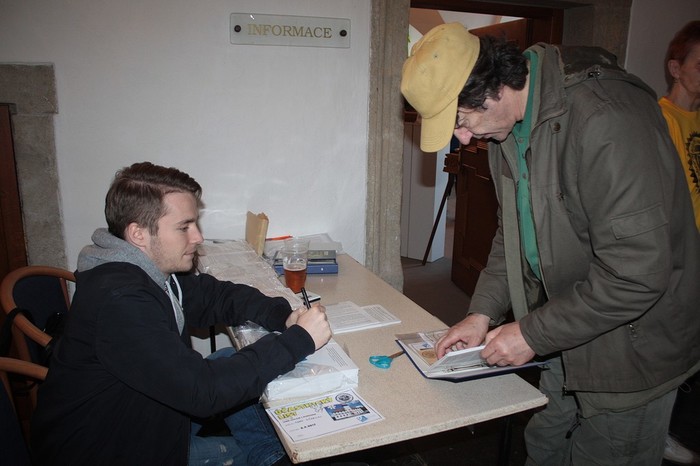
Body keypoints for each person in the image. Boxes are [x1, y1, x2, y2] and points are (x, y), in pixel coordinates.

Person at [401, 23, 700, 465]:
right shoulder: (505, 131)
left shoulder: (608, 120)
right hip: (567, 324)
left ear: (495, 87)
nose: (463, 139)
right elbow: (511, 235)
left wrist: (531, 333)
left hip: (633, 347)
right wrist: (481, 313)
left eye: (460, 122)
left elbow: (638, 274)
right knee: (544, 445)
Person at [31, 161, 332, 465]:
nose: (197, 236)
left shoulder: (146, 270)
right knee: (259, 444)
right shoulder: (121, 301)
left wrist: (281, 315)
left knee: (229, 359)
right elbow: (204, 392)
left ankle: (265, 449)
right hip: (112, 449)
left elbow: (214, 297)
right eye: (184, 227)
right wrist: (299, 340)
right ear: (138, 234)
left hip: (145, 415)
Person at [659, 20, 700, 465]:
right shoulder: (661, 119)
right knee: (675, 348)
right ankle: (662, 431)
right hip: (680, 257)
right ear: (676, 67)